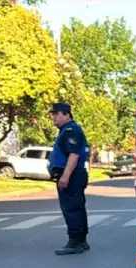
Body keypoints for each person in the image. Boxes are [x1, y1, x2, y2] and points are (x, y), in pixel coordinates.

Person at [47, 102, 90, 255]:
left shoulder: (71, 130)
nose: (54, 117)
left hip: (72, 176)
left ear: (67, 115)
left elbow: (74, 155)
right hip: (73, 175)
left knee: (71, 209)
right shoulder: (66, 130)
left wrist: (65, 176)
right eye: (53, 114)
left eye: (56, 114)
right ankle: (81, 240)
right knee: (77, 207)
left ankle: (75, 241)